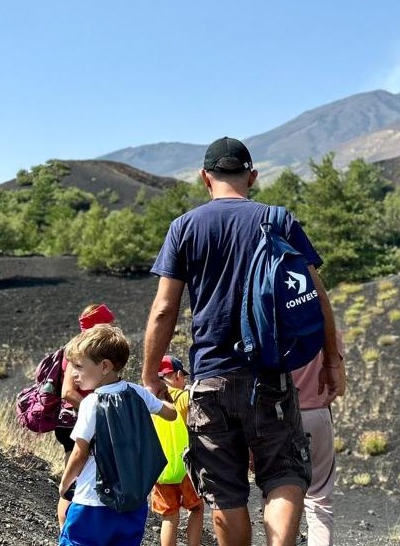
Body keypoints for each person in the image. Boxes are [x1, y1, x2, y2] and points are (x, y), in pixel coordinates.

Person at [141, 136, 344, 546]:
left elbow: (164, 309)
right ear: (252, 176)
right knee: (283, 473)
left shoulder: (184, 228)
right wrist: (331, 361)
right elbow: (317, 296)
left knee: (225, 492)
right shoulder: (278, 220)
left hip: (211, 381)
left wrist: (150, 372)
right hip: (269, 377)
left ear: (205, 178)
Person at [58, 324, 178, 546]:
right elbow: (171, 414)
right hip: (133, 501)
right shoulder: (137, 392)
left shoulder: (91, 403)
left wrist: (64, 484)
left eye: (79, 366)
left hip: (92, 501)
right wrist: (163, 397)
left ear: (104, 366)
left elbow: (79, 453)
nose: (73, 373)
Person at [55, 303, 115, 528]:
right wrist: (94, 412)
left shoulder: (89, 350)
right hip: (74, 423)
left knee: (80, 480)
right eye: (109, 324)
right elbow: (68, 392)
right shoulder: (79, 350)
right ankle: (66, 534)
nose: (113, 328)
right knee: (72, 485)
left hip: (80, 422)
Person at [292, 331, 346, 546]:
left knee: (279, 493)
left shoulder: (273, 318)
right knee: (319, 502)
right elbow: (339, 388)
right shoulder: (328, 330)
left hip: (278, 417)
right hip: (317, 415)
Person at [151, 355, 205, 546]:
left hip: (160, 468)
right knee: (197, 508)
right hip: (186, 466)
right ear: (178, 375)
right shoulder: (183, 397)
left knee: (169, 516)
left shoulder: (149, 401)